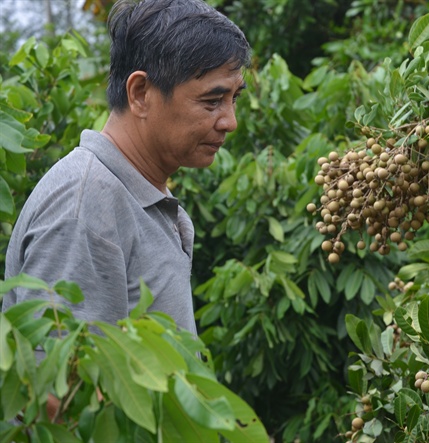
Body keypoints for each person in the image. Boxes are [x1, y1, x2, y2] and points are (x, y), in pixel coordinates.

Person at [2, 0, 251, 341]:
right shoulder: (84, 209)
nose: (230, 122)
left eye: (234, 98)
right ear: (140, 93)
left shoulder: (136, 191)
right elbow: (59, 388)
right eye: (211, 101)